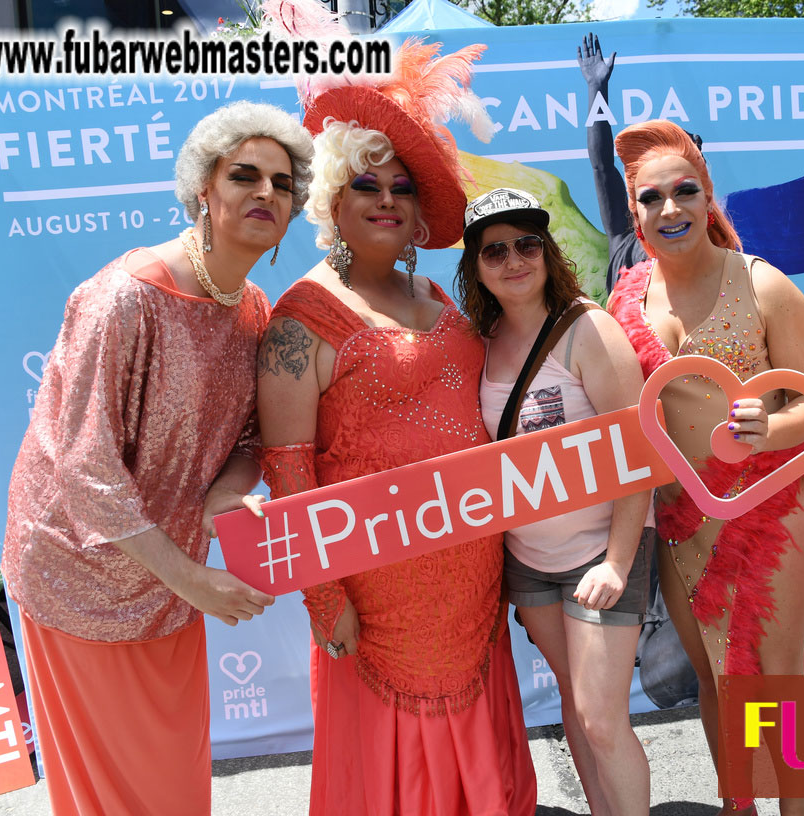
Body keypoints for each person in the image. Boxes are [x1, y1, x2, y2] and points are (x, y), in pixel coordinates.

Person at [1, 101, 314, 815]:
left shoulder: (254, 310)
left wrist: (227, 496)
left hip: (169, 576)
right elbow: (85, 468)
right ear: (203, 188)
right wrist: (195, 580)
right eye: (245, 174)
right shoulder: (124, 298)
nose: (267, 192)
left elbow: (246, 438)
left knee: (173, 786)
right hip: (77, 574)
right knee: (111, 795)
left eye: (283, 182)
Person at [255, 43, 537, 816]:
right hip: (374, 592)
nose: (387, 200)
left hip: (471, 570)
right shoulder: (299, 319)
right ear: (333, 205)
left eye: (402, 188)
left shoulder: (443, 302)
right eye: (366, 184)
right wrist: (323, 598)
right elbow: (288, 474)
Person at [608, 119, 804, 816]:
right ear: (634, 212)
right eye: (652, 198)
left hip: (767, 507)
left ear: (709, 200)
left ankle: (795, 810)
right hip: (681, 519)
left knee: (778, 679)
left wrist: (771, 425)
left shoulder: (764, 285)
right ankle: (739, 806)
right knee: (716, 678)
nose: (669, 209)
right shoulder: (624, 300)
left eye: (685, 191)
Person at [455, 187, 653, 815]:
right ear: (475, 267)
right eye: (495, 251)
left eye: (527, 244)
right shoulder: (479, 343)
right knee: (573, 698)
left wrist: (618, 562)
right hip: (530, 558)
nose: (514, 259)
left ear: (547, 252)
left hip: (602, 550)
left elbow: (640, 449)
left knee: (602, 718)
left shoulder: (586, 328)